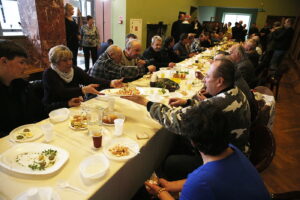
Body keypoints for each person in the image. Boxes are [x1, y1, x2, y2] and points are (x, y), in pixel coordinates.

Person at [123, 59, 251, 180]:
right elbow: (205, 108)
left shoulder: (216, 104)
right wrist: (187, 102)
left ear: (220, 81)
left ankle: (162, 182)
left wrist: (146, 103)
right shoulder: (236, 92)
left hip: (225, 164)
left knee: (170, 161)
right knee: (178, 141)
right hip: (234, 151)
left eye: (207, 77)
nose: (205, 81)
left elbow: (177, 120)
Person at [144, 106, 270, 200]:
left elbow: (201, 182)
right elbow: (206, 181)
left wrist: (160, 192)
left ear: (193, 142)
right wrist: (171, 185)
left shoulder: (199, 182)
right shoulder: (232, 150)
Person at [43, 45, 123, 108]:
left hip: (74, 105)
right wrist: (82, 90)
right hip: (55, 109)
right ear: (55, 62)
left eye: (70, 59)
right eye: (64, 60)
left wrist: (110, 83)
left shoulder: (73, 69)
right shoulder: (49, 74)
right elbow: (62, 92)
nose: (69, 63)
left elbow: (89, 79)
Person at [0, 40, 46, 137]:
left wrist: (65, 104)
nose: (26, 67)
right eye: (22, 62)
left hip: (29, 139)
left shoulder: (23, 86)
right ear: (4, 61)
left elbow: (40, 111)